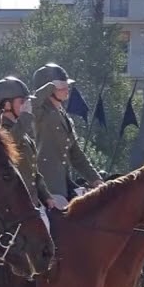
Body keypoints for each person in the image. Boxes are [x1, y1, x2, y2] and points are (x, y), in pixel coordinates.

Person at [31, 63, 103, 209]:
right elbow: (30, 105)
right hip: (45, 189)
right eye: (61, 87)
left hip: (64, 185)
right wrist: (48, 87)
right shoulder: (39, 113)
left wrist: (95, 179)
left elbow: (76, 154)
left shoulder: (63, 114)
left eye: (66, 85)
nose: (66, 89)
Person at [0, 76, 52, 209]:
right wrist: (25, 117)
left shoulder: (22, 131)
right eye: (22, 101)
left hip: (30, 204)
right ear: (7, 105)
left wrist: (46, 196)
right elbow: (9, 142)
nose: (27, 106)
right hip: (13, 207)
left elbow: (33, 171)